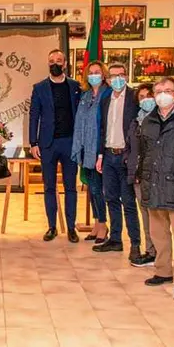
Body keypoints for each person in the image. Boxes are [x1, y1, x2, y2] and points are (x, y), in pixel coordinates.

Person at [136, 78, 174, 299]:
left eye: (167, 91)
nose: (162, 95)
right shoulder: (148, 121)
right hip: (152, 182)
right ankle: (163, 270)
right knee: (158, 233)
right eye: (158, 91)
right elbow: (144, 151)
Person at [29, 49, 82, 243]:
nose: (55, 64)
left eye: (59, 61)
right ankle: (52, 226)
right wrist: (33, 143)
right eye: (51, 61)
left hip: (70, 143)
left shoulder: (76, 87)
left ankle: (71, 227)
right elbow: (34, 115)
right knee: (49, 187)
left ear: (65, 64)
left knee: (70, 188)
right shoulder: (39, 87)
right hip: (47, 145)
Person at [94, 63, 141, 255]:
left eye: (121, 75)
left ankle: (135, 244)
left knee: (128, 202)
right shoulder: (106, 101)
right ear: (108, 79)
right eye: (113, 76)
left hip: (126, 156)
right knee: (111, 198)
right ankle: (115, 239)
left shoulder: (134, 98)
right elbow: (103, 129)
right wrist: (100, 156)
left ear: (126, 76)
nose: (117, 79)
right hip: (108, 156)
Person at [71, 61, 111, 244]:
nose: (94, 75)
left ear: (103, 75)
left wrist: (100, 153)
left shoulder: (108, 95)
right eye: (91, 72)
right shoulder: (86, 95)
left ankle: (103, 225)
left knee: (98, 190)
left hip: (100, 150)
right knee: (91, 190)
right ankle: (96, 223)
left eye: (97, 72)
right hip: (85, 149)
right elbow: (79, 121)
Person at [126, 83, 157, 267]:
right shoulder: (136, 121)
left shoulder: (160, 120)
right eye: (142, 97)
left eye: (149, 95)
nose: (146, 100)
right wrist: (129, 163)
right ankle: (150, 251)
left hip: (155, 176)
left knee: (157, 217)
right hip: (138, 174)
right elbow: (130, 147)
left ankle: (159, 254)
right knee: (145, 213)